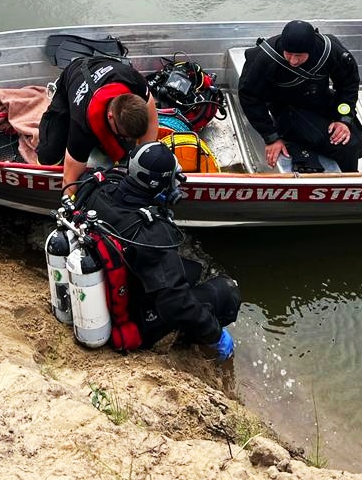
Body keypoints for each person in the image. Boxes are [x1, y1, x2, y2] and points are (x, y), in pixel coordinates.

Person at [74, 141, 240, 359]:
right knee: (227, 292)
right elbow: (175, 303)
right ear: (159, 184)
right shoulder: (152, 233)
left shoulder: (98, 186)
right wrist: (215, 335)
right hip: (135, 316)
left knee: (188, 271)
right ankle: (181, 339)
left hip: (105, 287)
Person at [237, 19, 362, 173]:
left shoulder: (331, 51)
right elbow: (249, 96)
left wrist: (343, 119)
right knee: (347, 146)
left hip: (319, 99)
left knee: (355, 143)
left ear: (311, 50)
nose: (292, 61)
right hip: (287, 108)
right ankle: (349, 182)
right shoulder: (265, 57)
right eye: (289, 54)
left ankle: (348, 179)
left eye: (299, 55)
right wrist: (271, 137)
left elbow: (348, 84)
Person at [37, 56, 159, 191]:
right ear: (111, 117)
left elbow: (152, 114)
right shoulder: (81, 126)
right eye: (124, 136)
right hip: (74, 76)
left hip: (106, 66)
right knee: (48, 158)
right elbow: (70, 181)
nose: (127, 139)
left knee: (126, 153)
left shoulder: (134, 80)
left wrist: (144, 159)